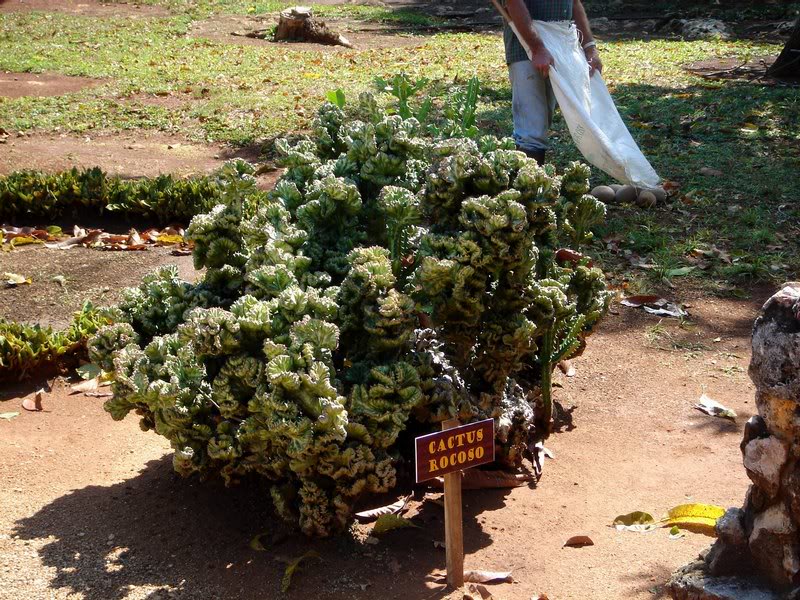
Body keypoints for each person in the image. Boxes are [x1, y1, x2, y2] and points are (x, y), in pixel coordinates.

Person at [504, 0, 602, 164]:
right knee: (531, 128)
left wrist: (589, 47)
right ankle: (527, 185)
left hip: (562, 44)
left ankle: (530, 179)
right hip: (524, 48)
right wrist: (537, 49)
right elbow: (513, 3)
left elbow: (574, 3)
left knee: (542, 120)